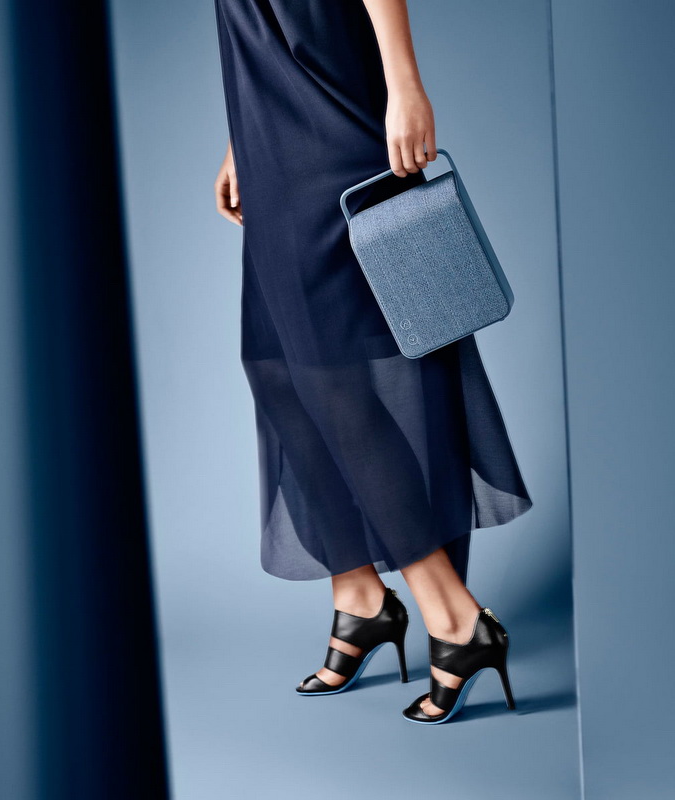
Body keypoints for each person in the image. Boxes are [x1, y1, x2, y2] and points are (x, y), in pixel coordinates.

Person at [213, 0, 532, 724]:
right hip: (268, 131)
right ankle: (359, 597)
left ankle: (454, 618)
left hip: (331, 121)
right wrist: (239, 136)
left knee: (335, 383)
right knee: (275, 369)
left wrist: (405, 84)